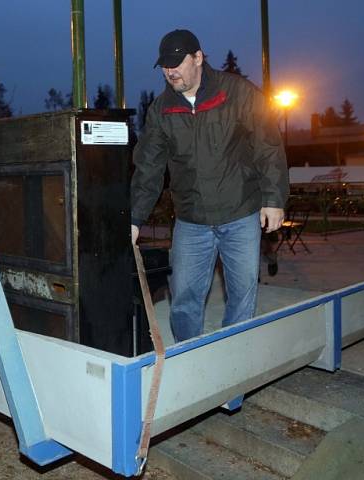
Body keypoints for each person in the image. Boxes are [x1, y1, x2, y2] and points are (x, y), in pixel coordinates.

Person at [130, 29, 288, 342]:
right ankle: (192, 362)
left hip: (240, 213)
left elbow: (267, 144)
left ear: (198, 58)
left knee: (241, 300)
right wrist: (135, 218)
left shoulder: (238, 93)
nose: (169, 70)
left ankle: (230, 376)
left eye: (177, 62)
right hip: (192, 220)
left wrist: (273, 197)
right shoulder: (162, 110)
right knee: (184, 301)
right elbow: (149, 167)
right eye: (164, 65)